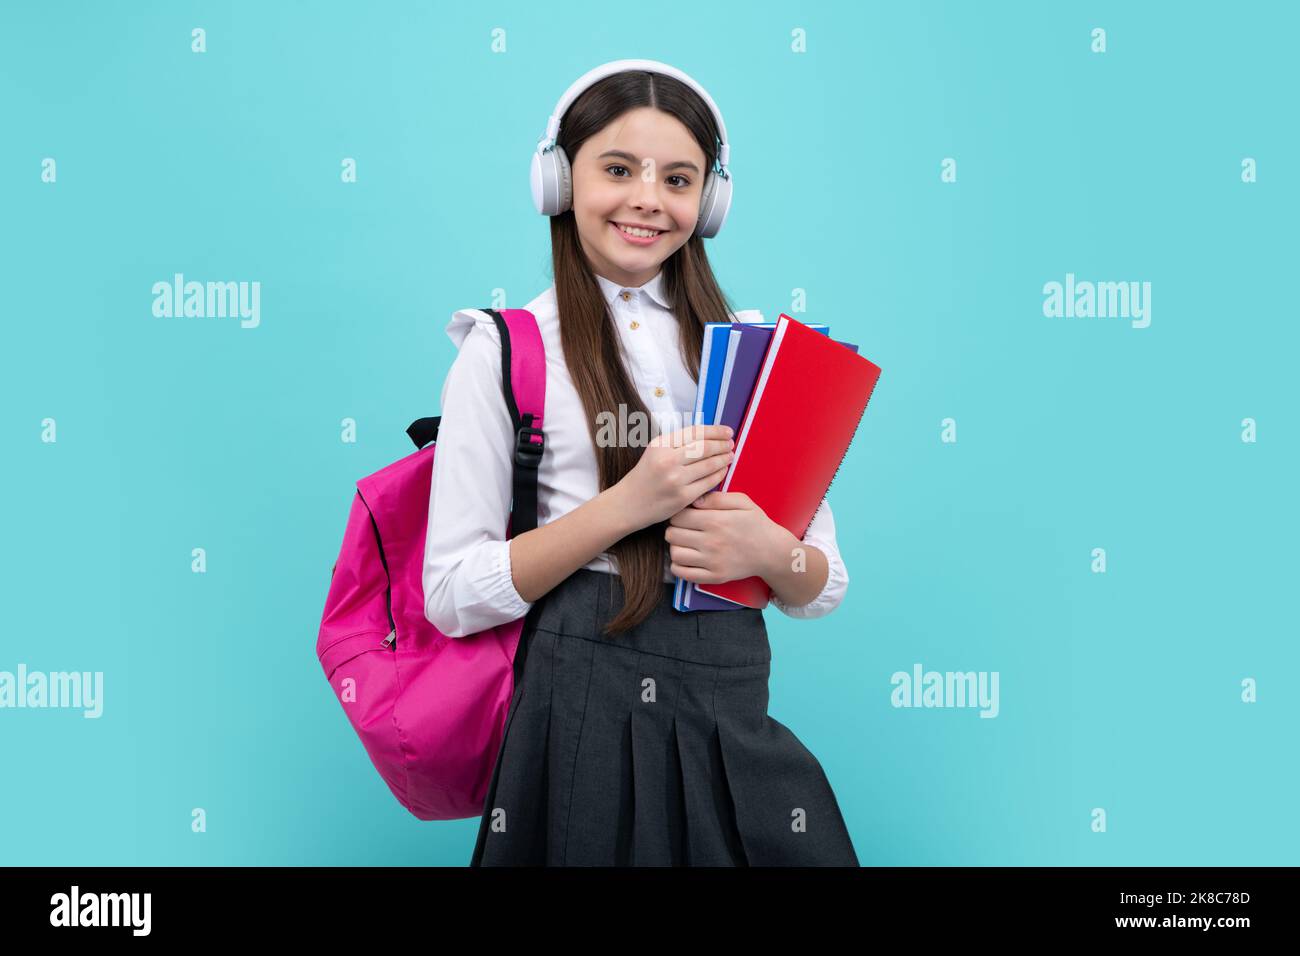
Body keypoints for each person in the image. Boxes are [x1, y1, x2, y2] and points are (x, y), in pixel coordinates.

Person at [423, 60, 858, 866]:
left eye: (680, 178)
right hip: (578, 715)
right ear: (559, 179)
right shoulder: (505, 350)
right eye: (618, 169)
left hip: (731, 710)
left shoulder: (758, 353)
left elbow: (822, 582)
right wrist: (626, 507)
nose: (648, 199)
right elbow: (450, 595)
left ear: (710, 201)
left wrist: (768, 552)